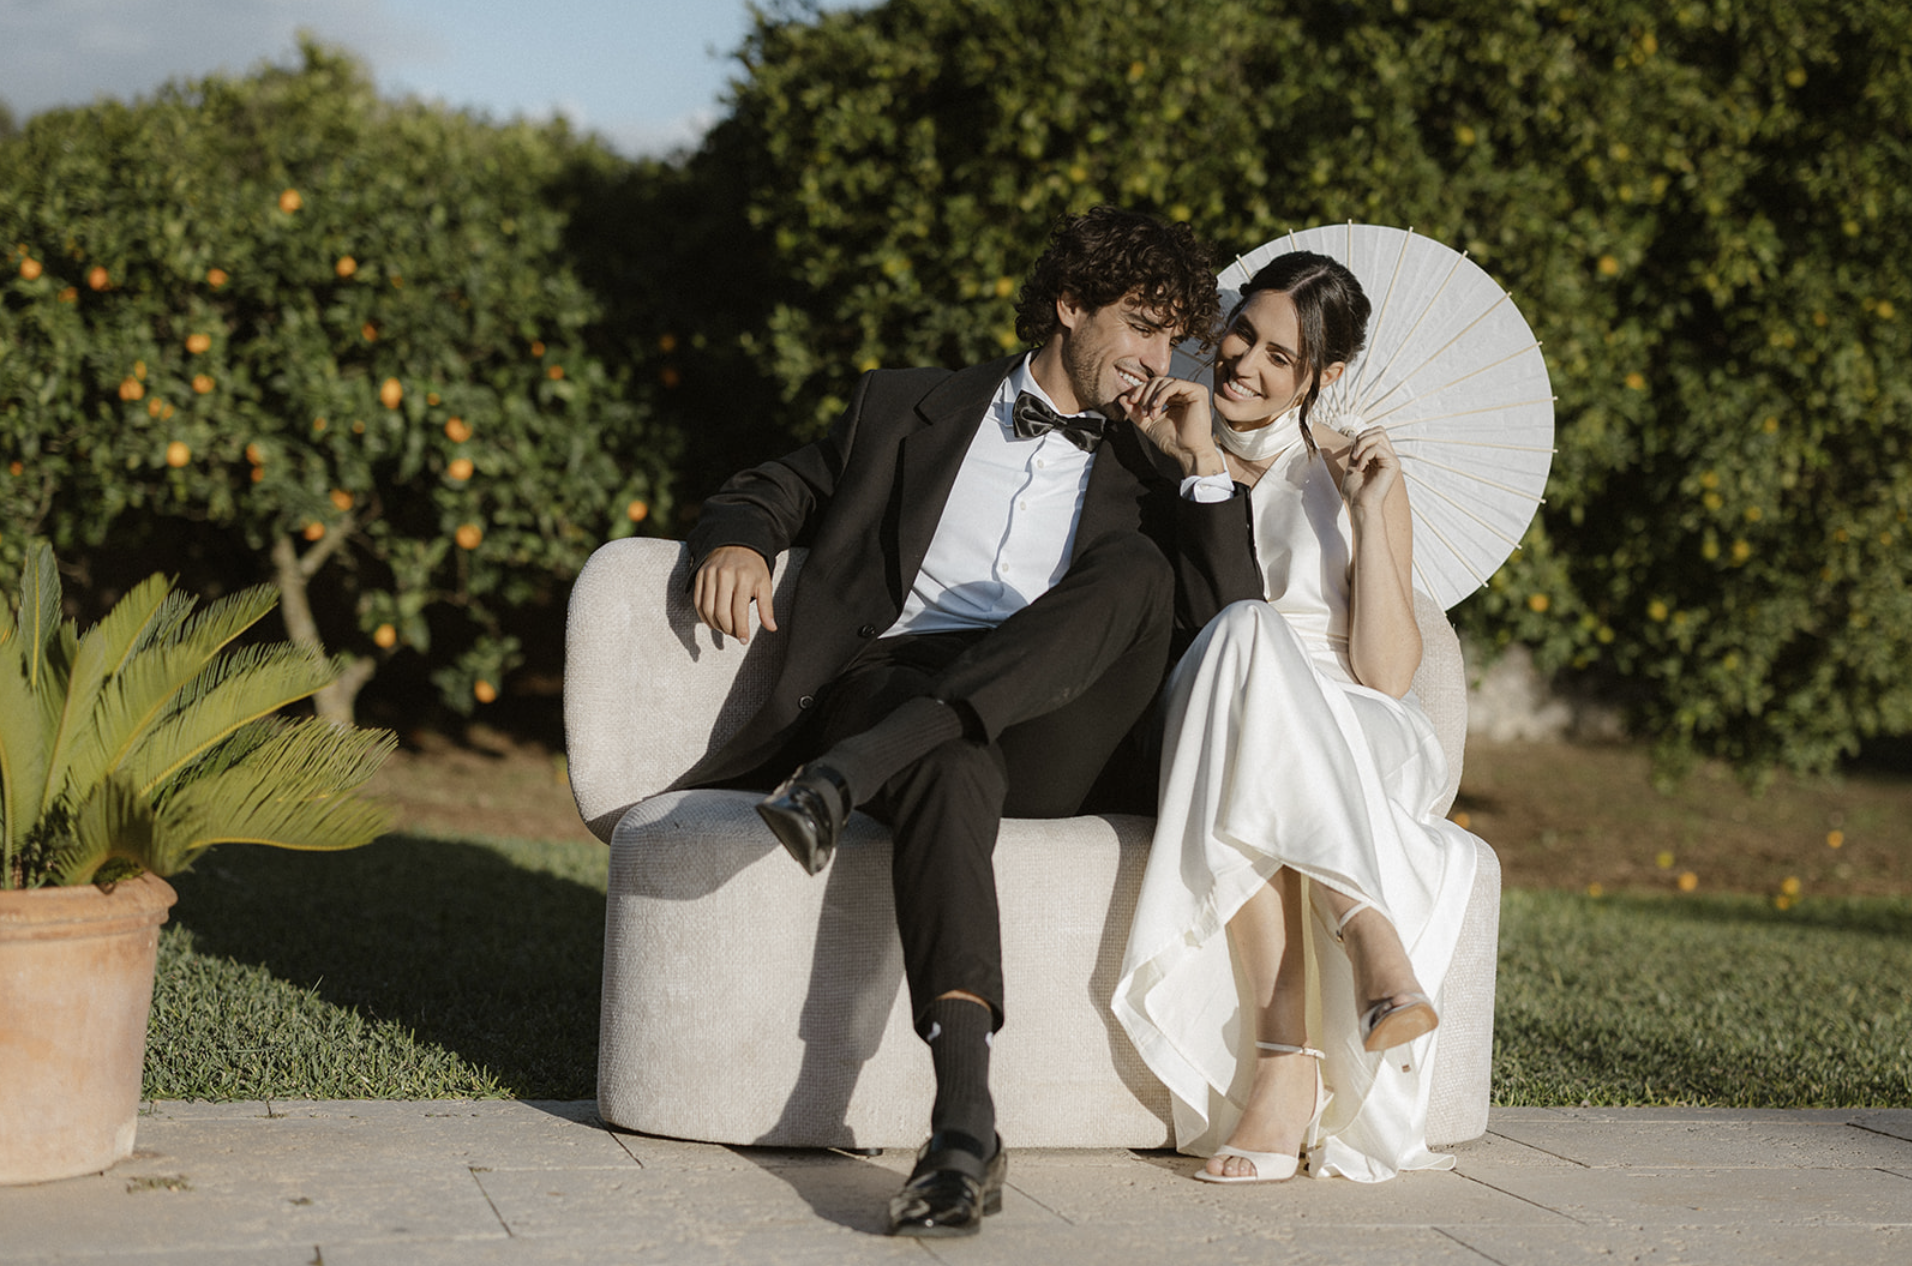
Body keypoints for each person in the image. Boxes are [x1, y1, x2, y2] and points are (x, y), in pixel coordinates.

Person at [681, 207, 1263, 1236]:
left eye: (1171, 337)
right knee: (948, 764)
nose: (1153, 358)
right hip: (895, 688)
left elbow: (1232, 634)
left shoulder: (1155, 460)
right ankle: (962, 1128)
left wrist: (1203, 466)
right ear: (1069, 304)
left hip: (1058, 720)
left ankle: (854, 775)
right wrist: (735, 541)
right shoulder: (908, 406)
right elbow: (773, 485)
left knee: (1130, 567)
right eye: (1137, 324)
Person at [1112, 251, 1483, 1184]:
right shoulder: (1163, 443)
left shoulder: (1352, 475)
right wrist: (1194, 463)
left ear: (1325, 377)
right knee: (1243, 637)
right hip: (1217, 701)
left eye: (1283, 357)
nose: (1246, 363)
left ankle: (1286, 1071)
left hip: (1357, 722)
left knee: (1264, 690)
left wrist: (1368, 515)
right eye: (1243, 332)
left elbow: (1389, 674)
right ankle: (1367, 934)